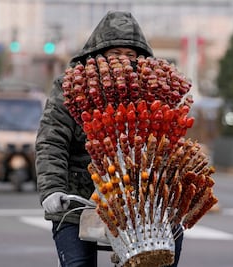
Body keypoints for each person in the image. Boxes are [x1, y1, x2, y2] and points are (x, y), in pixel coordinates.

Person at [35, 11, 183, 267]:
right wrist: (52, 189)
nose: (123, 61)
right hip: (78, 200)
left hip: (137, 205)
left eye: (131, 55)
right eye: (115, 54)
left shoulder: (152, 92)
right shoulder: (71, 88)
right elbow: (52, 141)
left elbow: (165, 146)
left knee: (166, 249)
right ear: (98, 55)